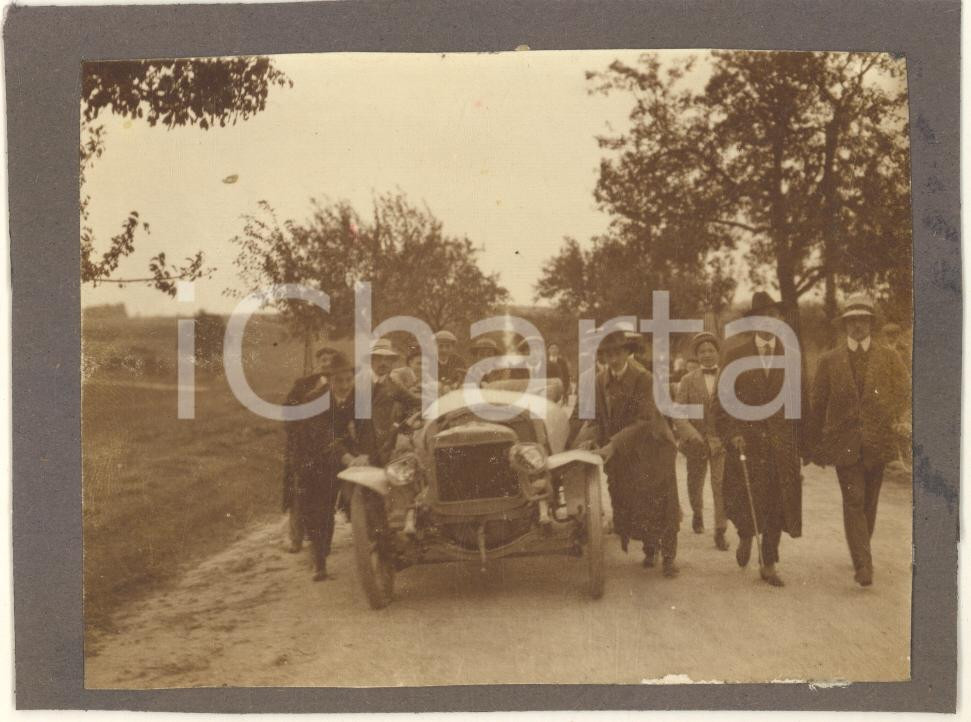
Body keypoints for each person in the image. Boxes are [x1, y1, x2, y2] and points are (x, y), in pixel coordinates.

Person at [808, 293, 910, 587]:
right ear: (845, 325)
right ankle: (863, 564)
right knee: (853, 500)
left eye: (862, 320)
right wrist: (813, 444)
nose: (857, 326)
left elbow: (904, 391)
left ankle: (861, 547)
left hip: (877, 442)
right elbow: (818, 402)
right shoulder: (829, 359)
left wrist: (886, 415)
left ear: (871, 323)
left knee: (869, 503)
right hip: (844, 443)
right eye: (852, 321)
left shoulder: (889, 357)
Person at [713, 291, 806, 588]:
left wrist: (803, 444)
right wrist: (733, 433)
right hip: (747, 444)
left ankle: (768, 563)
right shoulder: (735, 355)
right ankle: (744, 535)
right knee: (744, 499)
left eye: (774, 317)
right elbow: (721, 402)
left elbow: (802, 402)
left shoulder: (792, 355)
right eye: (762, 318)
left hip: (781, 446)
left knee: (777, 505)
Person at [574, 331, 681, 576]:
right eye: (608, 354)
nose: (613, 359)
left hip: (653, 447)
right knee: (633, 502)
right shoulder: (600, 381)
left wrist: (612, 445)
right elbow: (598, 419)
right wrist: (588, 440)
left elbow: (644, 420)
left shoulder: (644, 379)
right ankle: (650, 548)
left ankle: (668, 557)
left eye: (618, 353)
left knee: (661, 502)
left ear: (627, 353)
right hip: (624, 450)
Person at [285, 352, 361, 581]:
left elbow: (364, 426)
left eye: (348, 380)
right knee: (319, 512)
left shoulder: (357, 396)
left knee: (356, 499)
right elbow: (322, 436)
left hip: (341, 454)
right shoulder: (313, 400)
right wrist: (346, 457)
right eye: (339, 381)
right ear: (329, 380)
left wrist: (362, 451)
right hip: (313, 458)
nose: (345, 385)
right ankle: (320, 562)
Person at [674, 332, 729, 550]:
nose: (707, 355)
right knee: (694, 484)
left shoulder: (728, 377)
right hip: (695, 441)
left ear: (718, 353)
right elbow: (678, 412)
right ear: (696, 356)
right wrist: (691, 434)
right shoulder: (688, 380)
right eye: (702, 351)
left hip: (720, 441)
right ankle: (697, 513)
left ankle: (720, 529)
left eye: (711, 351)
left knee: (720, 485)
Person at [282, 345, 338, 553]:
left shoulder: (341, 385)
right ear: (317, 363)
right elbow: (288, 410)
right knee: (299, 493)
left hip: (329, 447)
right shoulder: (303, 384)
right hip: (304, 446)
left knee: (327, 496)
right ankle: (296, 539)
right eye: (323, 360)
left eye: (331, 361)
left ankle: (324, 543)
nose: (326, 364)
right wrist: (297, 432)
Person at [355, 338, 422, 467]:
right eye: (378, 358)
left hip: (384, 448)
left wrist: (403, 424)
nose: (383, 363)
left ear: (392, 362)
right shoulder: (356, 383)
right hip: (359, 449)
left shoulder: (394, 385)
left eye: (387, 359)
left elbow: (417, 404)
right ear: (370, 360)